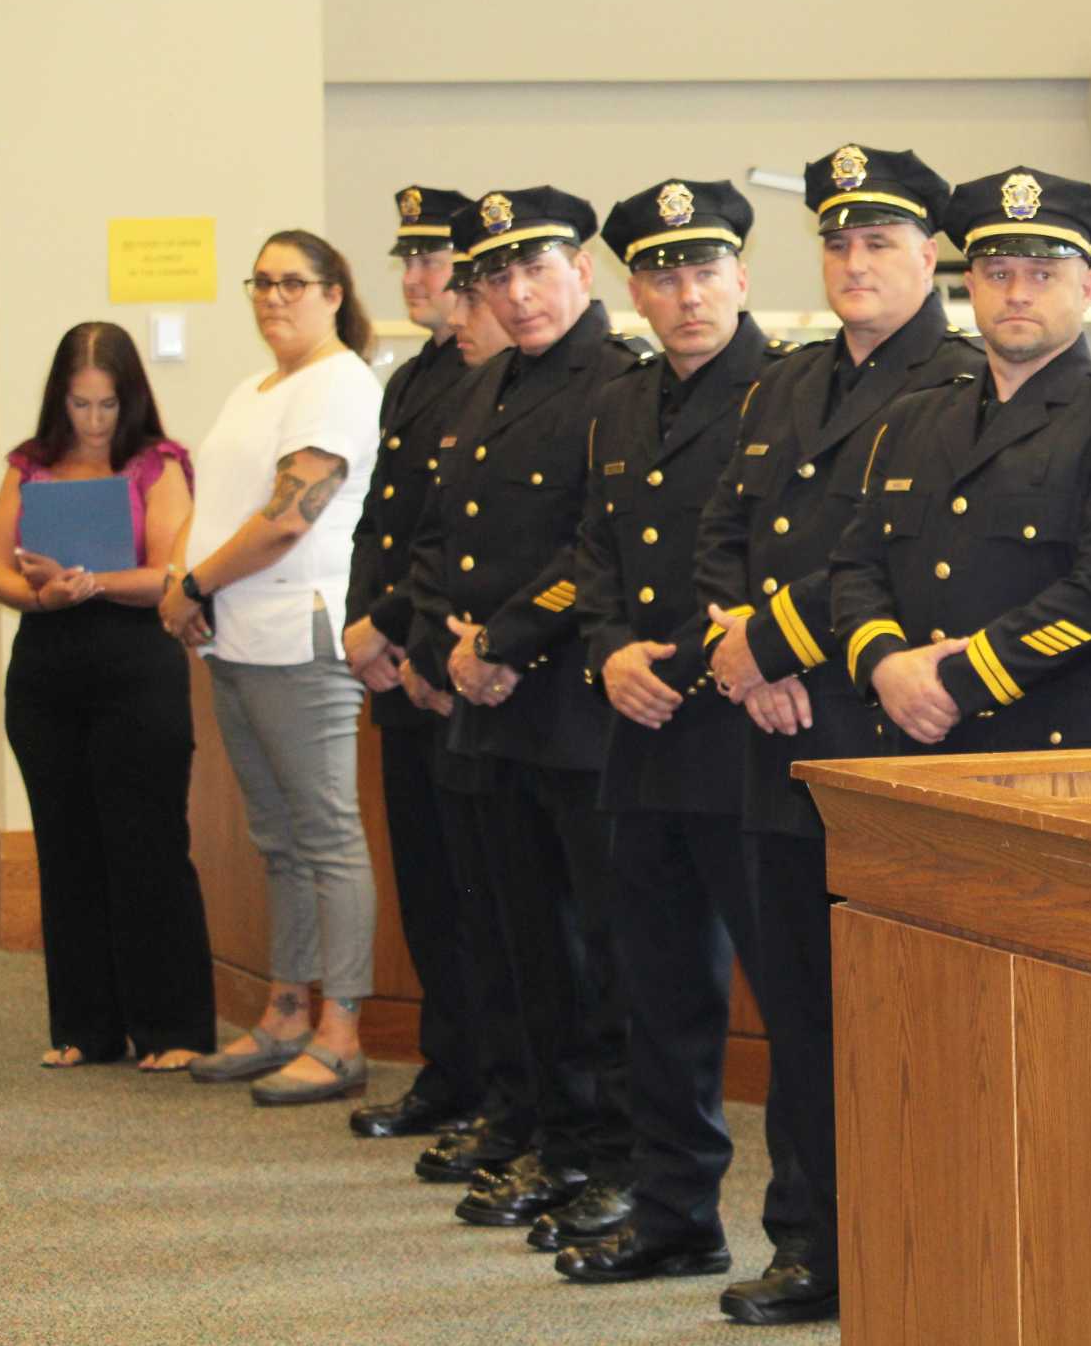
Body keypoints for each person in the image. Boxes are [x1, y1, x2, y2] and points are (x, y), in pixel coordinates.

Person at [698, 144, 980, 1326]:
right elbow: (720, 531)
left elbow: (900, 563)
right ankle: (806, 1240)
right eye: (838, 242)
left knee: (890, 1022)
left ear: (929, 257)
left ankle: (897, 1239)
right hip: (772, 743)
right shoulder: (786, 382)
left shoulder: (962, 382)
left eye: (879, 243)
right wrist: (736, 647)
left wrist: (772, 646)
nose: (855, 263)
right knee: (798, 1013)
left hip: (880, 744)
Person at [554, 178, 806, 1284]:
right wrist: (606, 649)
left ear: (742, 277)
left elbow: (780, 564)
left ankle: (803, 1235)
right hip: (641, 737)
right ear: (632, 291)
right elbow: (593, 557)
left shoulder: (789, 392)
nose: (686, 293)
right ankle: (672, 1215)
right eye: (660, 273)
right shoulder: (620, 403)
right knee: (657, 998)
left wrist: (692, 665)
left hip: (745, 737)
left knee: (787, 1006)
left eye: (704, 269)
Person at [402, 186, 638, 1233]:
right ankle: (542, 1126)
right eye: (497, 274)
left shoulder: (617, 384)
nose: (517, 291)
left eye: (536, 269)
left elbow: (595, 543)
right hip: (485, 705)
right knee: (517, 942)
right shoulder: (483, 384)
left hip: (567, 709)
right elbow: (440, 537)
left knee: (595, 952)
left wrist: (499, 644)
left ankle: (601, 1150)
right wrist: (442, 646)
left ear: (582, 272)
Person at [832, 165, 1091, 756]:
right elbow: (856, 567)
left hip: (1063, 753)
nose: (1018, 293)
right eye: (998, 273)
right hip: (919, 746)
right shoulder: (911, 419)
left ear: (1089, 287)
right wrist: (884, 664)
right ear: (970, 286)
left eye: (1043, 274)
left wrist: (956, 682)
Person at [164, 230, 383, 1105]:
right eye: (260, 282)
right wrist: (188, 586)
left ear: (334, 292)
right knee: (279, 842)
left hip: (301, 635)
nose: (273, 298)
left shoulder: (339, 383)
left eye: (293, 282)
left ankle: (342, 1034)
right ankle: (287, 1013)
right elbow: (215, 502)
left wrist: (193, 585)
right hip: (236, 639)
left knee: (327, 840)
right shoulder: (253, 388)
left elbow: (289, 518)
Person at [0, 322, 216, 1072]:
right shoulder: (30, 466)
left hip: (134, 661)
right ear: (60, 401)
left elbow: (167, 575)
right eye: (80, 405)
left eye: (107, 406)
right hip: (47, 666)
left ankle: (171, 1027)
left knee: (145, 842)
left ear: (130, 401)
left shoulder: (157, 465)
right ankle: (86, 1026)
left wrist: (91, 583)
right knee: (66, 842)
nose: (92, 421)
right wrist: (44, 595)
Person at [341, 185, 486, 1140]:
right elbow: (379, 524)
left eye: (435, 261)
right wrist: (360, 622)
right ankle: (450, 1068)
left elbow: (451, 540)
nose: (417, 277)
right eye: (409, 261)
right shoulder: (411, 378)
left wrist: (400, 629)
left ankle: (487, 1079)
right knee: (429, 889)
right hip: (397, 668)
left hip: (450, 668)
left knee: (481, 899)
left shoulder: (486, 376)